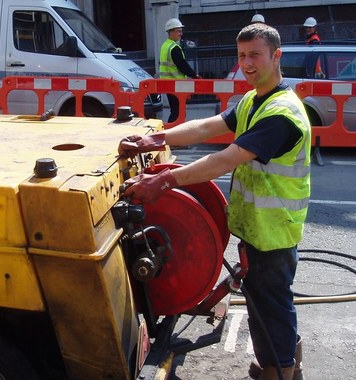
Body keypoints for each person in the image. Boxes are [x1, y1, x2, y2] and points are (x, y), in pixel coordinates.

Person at [119, 23, 310, 380]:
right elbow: (209, 126)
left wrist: (165, 179)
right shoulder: (256, 98)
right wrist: (156, 138)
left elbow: (225, 158)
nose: (247, 63)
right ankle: (279, 360)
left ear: (276, 55)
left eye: (255, 54)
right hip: (259, 226)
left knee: (272, 304)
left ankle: (282, 370)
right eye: (242, 56)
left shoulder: (282, 113)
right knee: (262, 301)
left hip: (274, 230)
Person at [159, 18, 201, 123]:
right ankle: (171, 134)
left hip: (168, 84)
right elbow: (182, 65)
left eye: (181, 31)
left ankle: (170, 133)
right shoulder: (174, 48)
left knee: (175, 111)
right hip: (175, 84)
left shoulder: (165, 46)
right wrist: (195, 75)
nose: (181, 33)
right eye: (178, 31)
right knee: (178, 112)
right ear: (171, 31)